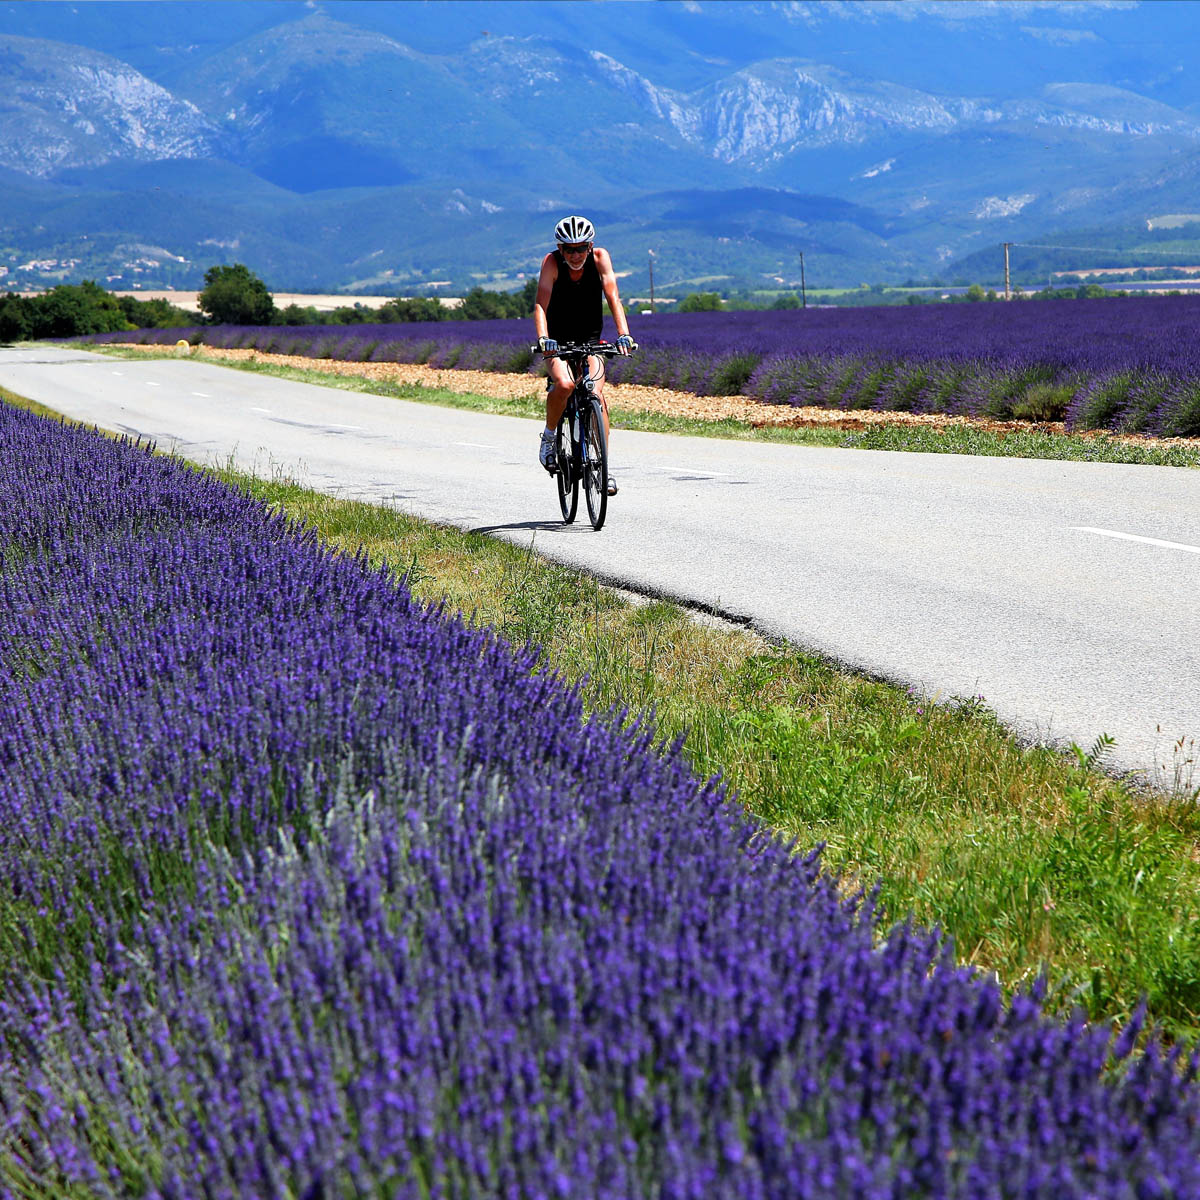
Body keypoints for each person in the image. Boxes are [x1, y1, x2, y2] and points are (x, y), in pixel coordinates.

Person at [533, 214, 634, 496]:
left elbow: (613, 296)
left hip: (591, 339)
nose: (575, 255)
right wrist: (544, 339)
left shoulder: (600, 259)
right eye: (569, 249)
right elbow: (541, 304)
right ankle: (550, 438)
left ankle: (602, 467)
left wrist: (623, 334)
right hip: (557, 342)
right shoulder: (551, 263)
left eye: (581, 248)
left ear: (590, 247)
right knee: (565, 385)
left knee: (596, 394)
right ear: (560, 249)